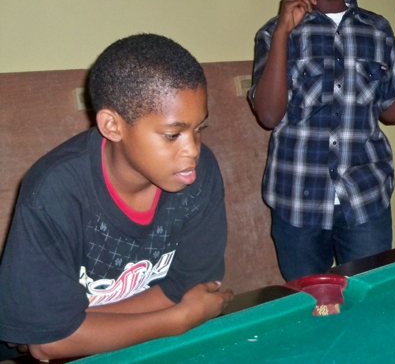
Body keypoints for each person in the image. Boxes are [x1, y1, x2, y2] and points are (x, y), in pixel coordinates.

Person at [0, 34, 233, 361]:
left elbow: (190, 288)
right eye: (172, 135)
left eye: (199, 130)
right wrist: (176, 320)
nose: (192, 150)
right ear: (112, 125)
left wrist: (79, 328)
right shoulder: (54, 192)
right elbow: (47, 347)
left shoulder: (199, 172)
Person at [249, 0, 395, 281]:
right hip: (298, 198)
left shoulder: (377, 29)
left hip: (365, 195)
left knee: (370, 295)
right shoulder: (276, 32)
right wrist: (281, 36)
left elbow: (388, 108)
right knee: (309, 303)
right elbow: (269, 115)